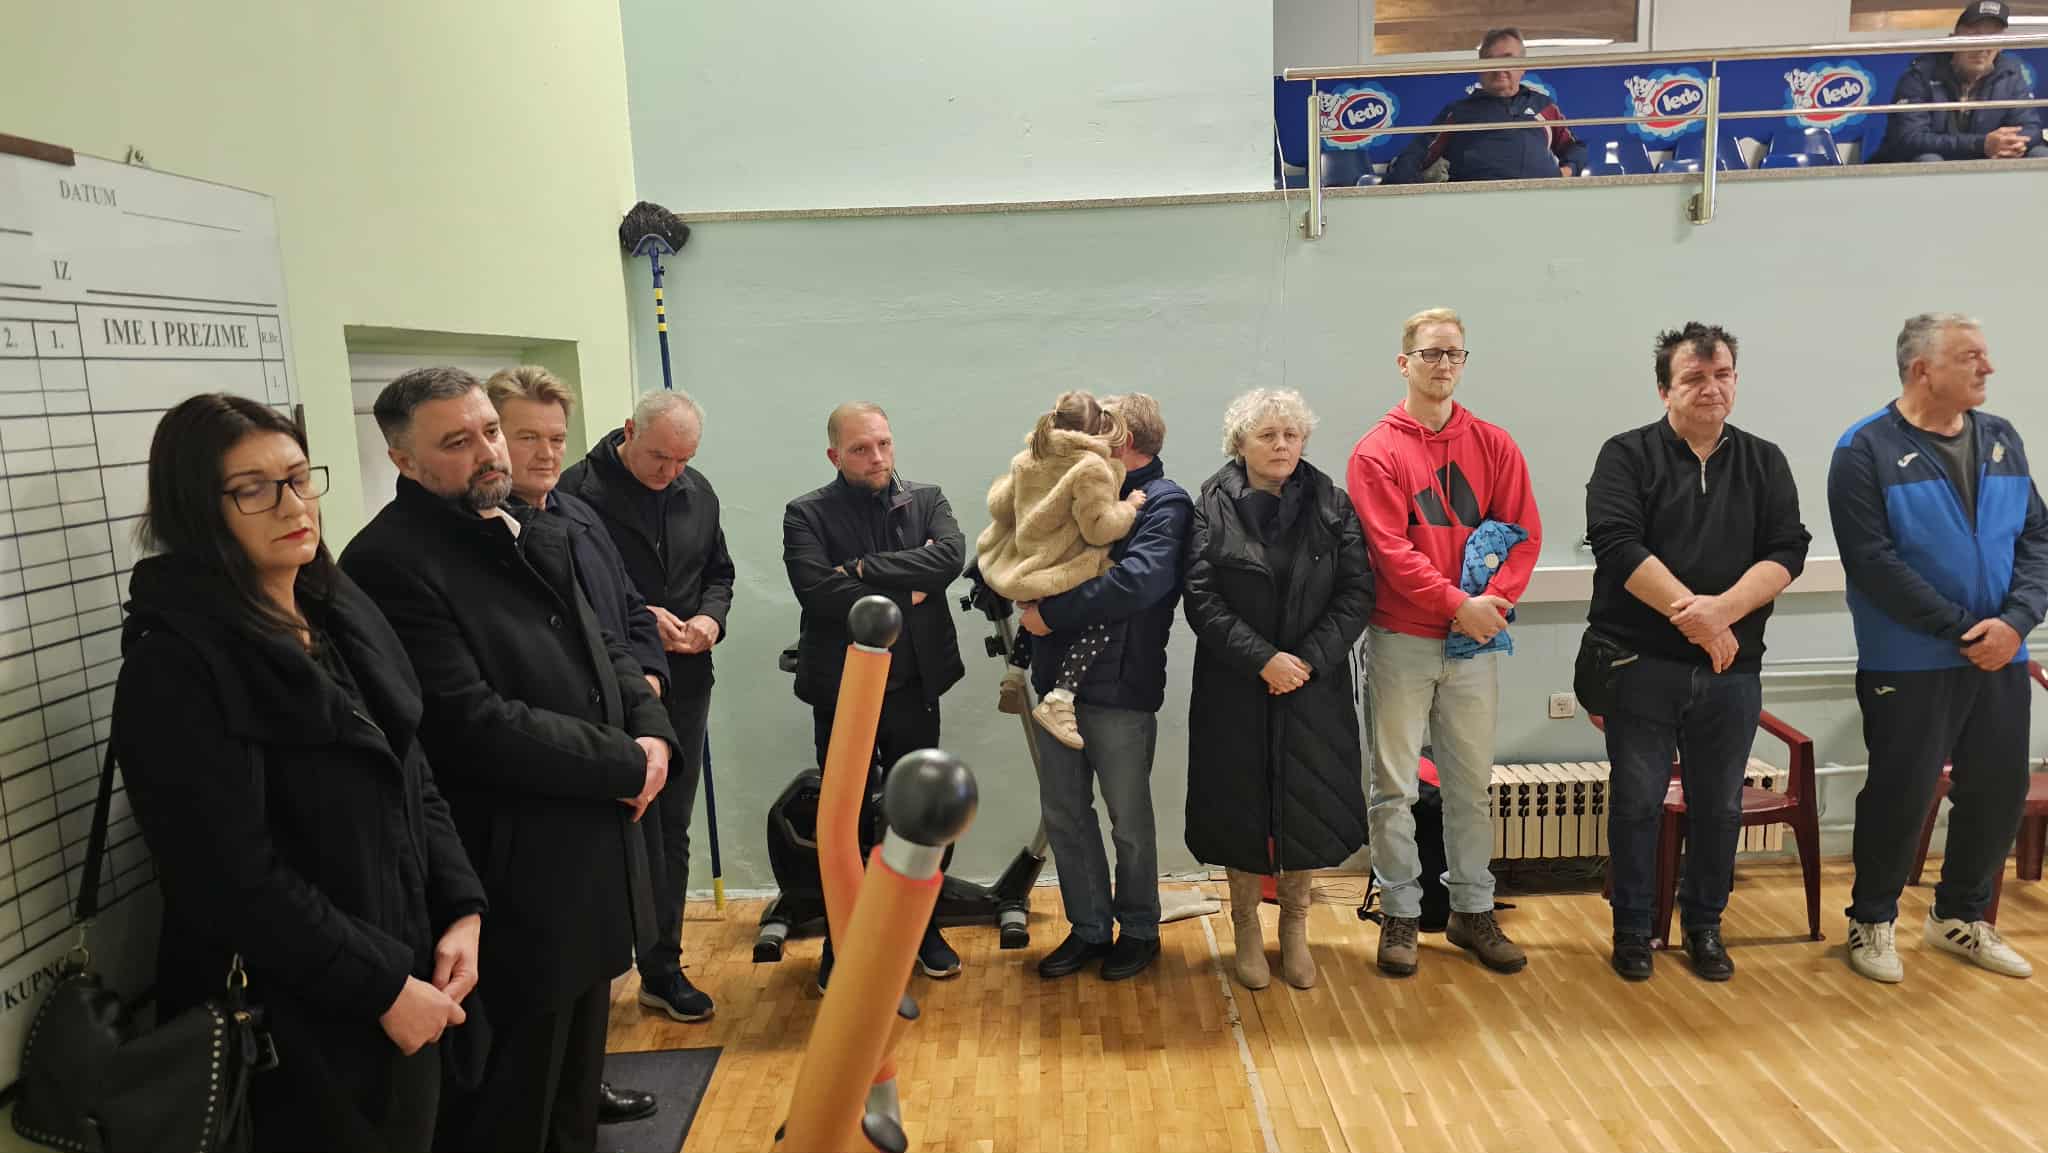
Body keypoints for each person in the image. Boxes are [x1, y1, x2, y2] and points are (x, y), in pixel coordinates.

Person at [113, 394, 485, 1151]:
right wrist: (382, 986)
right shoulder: (175, 665)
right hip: (293, 1030)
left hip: (407, 980)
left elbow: (410, 771)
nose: (291, 504)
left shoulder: (336, 612)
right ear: (197, 509)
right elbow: (230, 878)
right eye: (252, 489)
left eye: (296, 477)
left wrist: (462, 909)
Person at [340, 367, 677, 1152]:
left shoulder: (521, 524)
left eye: (489, 429)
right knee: (512, 1110)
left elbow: (604, 647)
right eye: (457, 441)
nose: (489, 451)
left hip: (588, 862)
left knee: (573, 1101)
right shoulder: (388, 561)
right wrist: (625, 762)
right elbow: (472, 722)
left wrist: (653, 728)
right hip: (513, 881)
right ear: (403, 459)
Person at [1584, 323, 1811, 983]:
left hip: (1731, 670)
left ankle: (1705, 925)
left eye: (1722, 375)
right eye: (1694, 378)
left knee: (1720, 807)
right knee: (1637, 803)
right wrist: (1700, 620)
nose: (1711, 388)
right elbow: (1617, 544)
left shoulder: (1765, 460)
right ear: (1665, 390)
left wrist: (1722, 614)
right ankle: (1633, 929)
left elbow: (1788, 549)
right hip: (1639, 667)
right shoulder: (1626, 455)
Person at [1829, 313, 2048, 985]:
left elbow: (2037, 540)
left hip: (2002, 654)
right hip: (1910, 659)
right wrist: (1964, 629)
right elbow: (1874, 563)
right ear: (1924, 369)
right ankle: (1872, 919)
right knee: (1902, 793)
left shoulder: (2002, 437)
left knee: (1999, 791)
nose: (1989, 367)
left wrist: (2014, 623)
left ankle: (1959, 917)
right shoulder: (1863, 449)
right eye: (1971, 356)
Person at [485, 367, 676, 1127]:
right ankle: (559, 1101)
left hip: (623, 740)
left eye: (555, 437)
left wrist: (648, 690)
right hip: (555, 775)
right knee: (553, 966)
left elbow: (626, 614)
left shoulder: (576, 517)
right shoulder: (487, 541)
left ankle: (586, 1083)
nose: (543, 452)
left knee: (603, 947)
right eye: (525, 436)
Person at [1348, 307, 1542, 978]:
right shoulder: (1376, 452)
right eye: (1430, 353)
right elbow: (1390, 550)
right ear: (1404, 363)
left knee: (1470, 788)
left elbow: (1522, 535)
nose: (1442, 364)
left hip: (1475, 646)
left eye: (1453, 353)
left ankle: (1472, 910)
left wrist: (1492, 606)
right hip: (1402, 638)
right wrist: (1458, 603)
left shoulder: (1495, 445)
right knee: (1393, 789)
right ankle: (1401, 913)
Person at [1183, 388, 1371, 991]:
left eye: (1291, 435)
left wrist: (1305, 662)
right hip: (1235, 686)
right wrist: (1262, 659)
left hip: (1312, 687)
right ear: (1240, 443)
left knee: (1304, 806)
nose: (1282, 445)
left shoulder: (1333, 504)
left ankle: (1295, 930)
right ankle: (1244, 930)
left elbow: (1357, 593)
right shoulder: (1209, 505)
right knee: (1239, 808)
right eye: (1267, 435)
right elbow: (1201, 598)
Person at [559, 387, 733, 1027]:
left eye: (683, 460)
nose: (670, 472)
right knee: (609, 827)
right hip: (606, 685)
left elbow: (720, 573)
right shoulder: (574, 495)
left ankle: (663, 970)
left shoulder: (698, 491)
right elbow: (571, 592)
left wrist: (711, 620)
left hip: (685, 678)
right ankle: (590, 982)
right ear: (629, 431)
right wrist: (639, 618)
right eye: (660, 457)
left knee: (670, 829)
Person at [783, 401, 967, 983]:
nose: (877, 457)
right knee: (846, 819)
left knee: (920, 816)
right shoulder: (805, 514)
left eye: (883, 443)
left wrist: (861, 570)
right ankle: (844, 940)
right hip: (845, 693)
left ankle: (920, 929)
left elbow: (950, 558)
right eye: (861, 448)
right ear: (834, 455)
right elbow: (818, 593)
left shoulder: (927, 499)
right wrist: (909, 589)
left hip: (915, 686)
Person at [1015, 394, 1191, 982]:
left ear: (1122, 439)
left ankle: (1139, 929)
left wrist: (1050, 612)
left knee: (1128, 822)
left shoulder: (1164, 502)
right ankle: (1089, 927)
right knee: (1065, 813)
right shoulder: (1074, 489)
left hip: (1122, 688)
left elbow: (1138, 584)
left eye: (1097, 428)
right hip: (1055, 685)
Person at [976, 390, 1148, 749]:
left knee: (1035, 614)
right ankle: (1061, 698)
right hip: (1066, 569)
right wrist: (1129, 507)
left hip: (1026, 568)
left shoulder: (1027, 458)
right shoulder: (1091, 467)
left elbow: (1000, 507)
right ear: (1100, 427)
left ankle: (1014, 672)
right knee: (1103, 615)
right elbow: (1098, 529)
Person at [1385, 27, 1586, 184]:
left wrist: (1567, 171)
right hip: (1476, 208)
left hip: (1542, 202)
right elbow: (1415, 156)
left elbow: (1575, 149)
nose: (1499, 68)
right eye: (1490, 60)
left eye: (1508, 59)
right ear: (1479, 68)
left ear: (1523, 66)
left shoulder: (1544, 107)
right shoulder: (1458, 112)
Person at [1877, 2, 2046, 164]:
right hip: (1933, 162)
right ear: (1953, 40)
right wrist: (1981, 145)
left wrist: (2010, 144)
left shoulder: (2010, 74)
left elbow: (2031, 127)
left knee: (2040, 154)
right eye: (1974, 37)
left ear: (2001, 46)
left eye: (1992, 38)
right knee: (1929, 160)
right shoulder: (1921, 74)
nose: (1982, 48)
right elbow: (1910, 138)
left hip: (1988, 161)